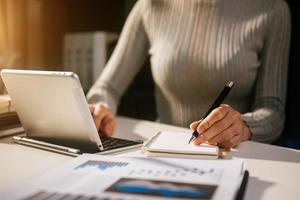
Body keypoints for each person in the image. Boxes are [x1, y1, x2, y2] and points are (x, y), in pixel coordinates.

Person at [87, 0, 291, 149]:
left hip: (235, 153)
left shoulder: (272, 9)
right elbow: (107, 87)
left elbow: (273, 109)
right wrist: (98, 108)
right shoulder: (149, 6)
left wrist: (245, 126)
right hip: (162, 149)